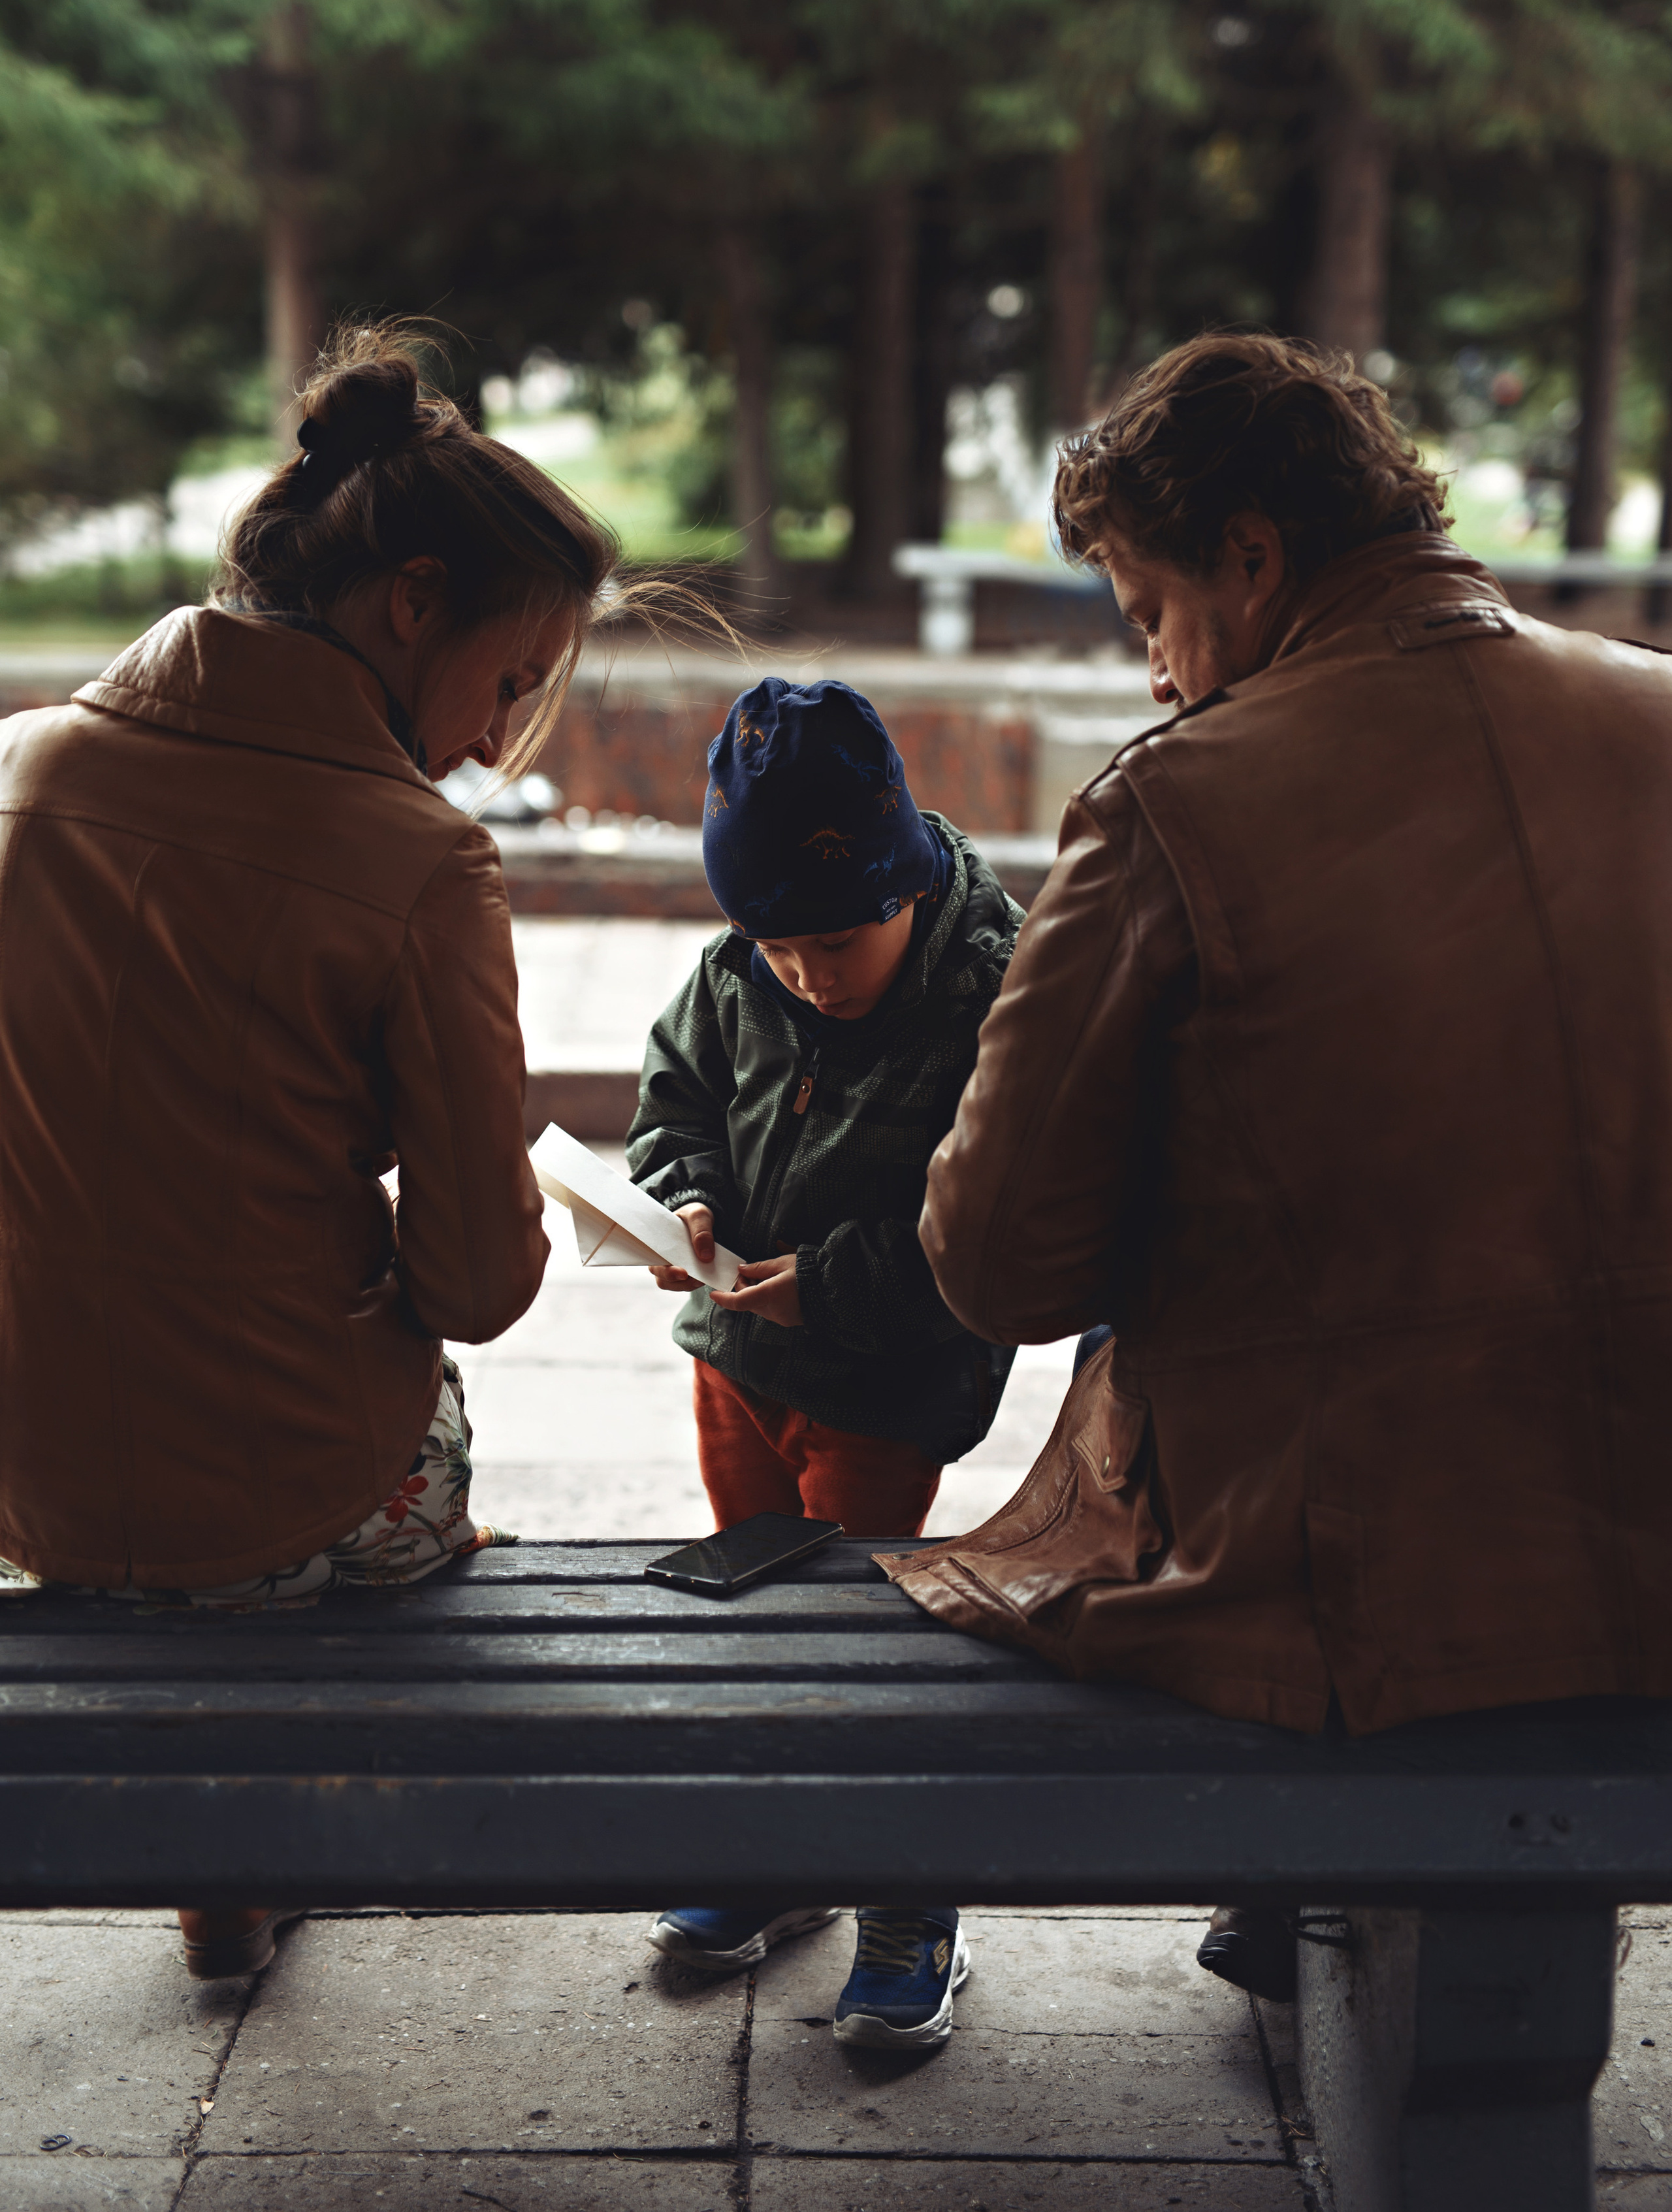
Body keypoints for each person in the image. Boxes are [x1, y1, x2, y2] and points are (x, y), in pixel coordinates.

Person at [881, 328, 1672, 2006]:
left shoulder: (1179, 804)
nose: (1159, 672)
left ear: (1251, 557)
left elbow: (998, 1264)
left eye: (1152, 614)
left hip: (1354, 1602)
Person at [0, 323, 632, 1980]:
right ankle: (252, 1847)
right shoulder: (416, 860)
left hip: (27, 1474)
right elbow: (481, 1285)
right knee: (415, 1439)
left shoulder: (22, 769)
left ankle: (223, 1878)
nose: (502, 741)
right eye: (509, 679)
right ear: (411, 601)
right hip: (274, 1501)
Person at [626, 677, 1021, 2047]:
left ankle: (910, 1902)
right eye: (770, 943)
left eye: (835, 941)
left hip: (882, 1384)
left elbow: (1007, 1224)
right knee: (755, 1612)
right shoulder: (741, 966)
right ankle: (777, 1857)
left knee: (859, 1640)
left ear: (904, 883)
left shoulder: (992, 994)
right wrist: (680, 1195)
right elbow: (672, 1094)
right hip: (736, 1358)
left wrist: (839, 1288)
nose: (803, 971)